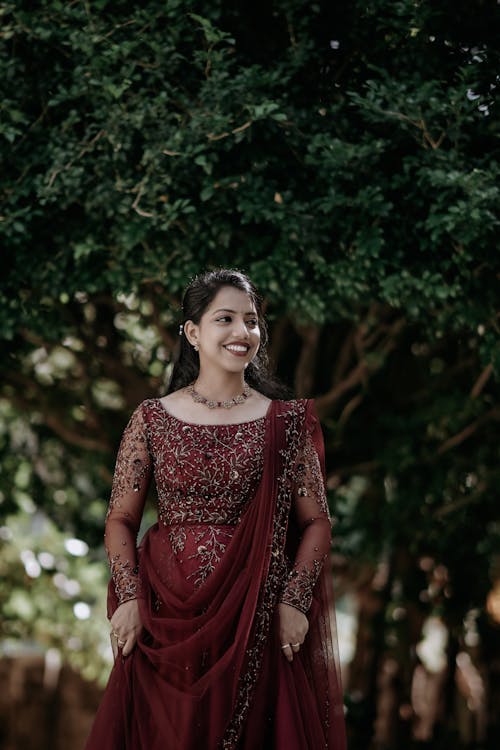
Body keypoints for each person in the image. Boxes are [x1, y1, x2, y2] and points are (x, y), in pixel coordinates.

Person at [85, 269, 346, 750]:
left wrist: (293, 601)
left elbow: (317, 523)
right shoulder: (151, 419)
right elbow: (121, 518)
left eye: (251, 321)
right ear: (192, 332)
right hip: (164, 618)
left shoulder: (286, 424)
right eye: (225, 318)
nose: (242, 332)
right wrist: (126, 597)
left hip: (256, 615)